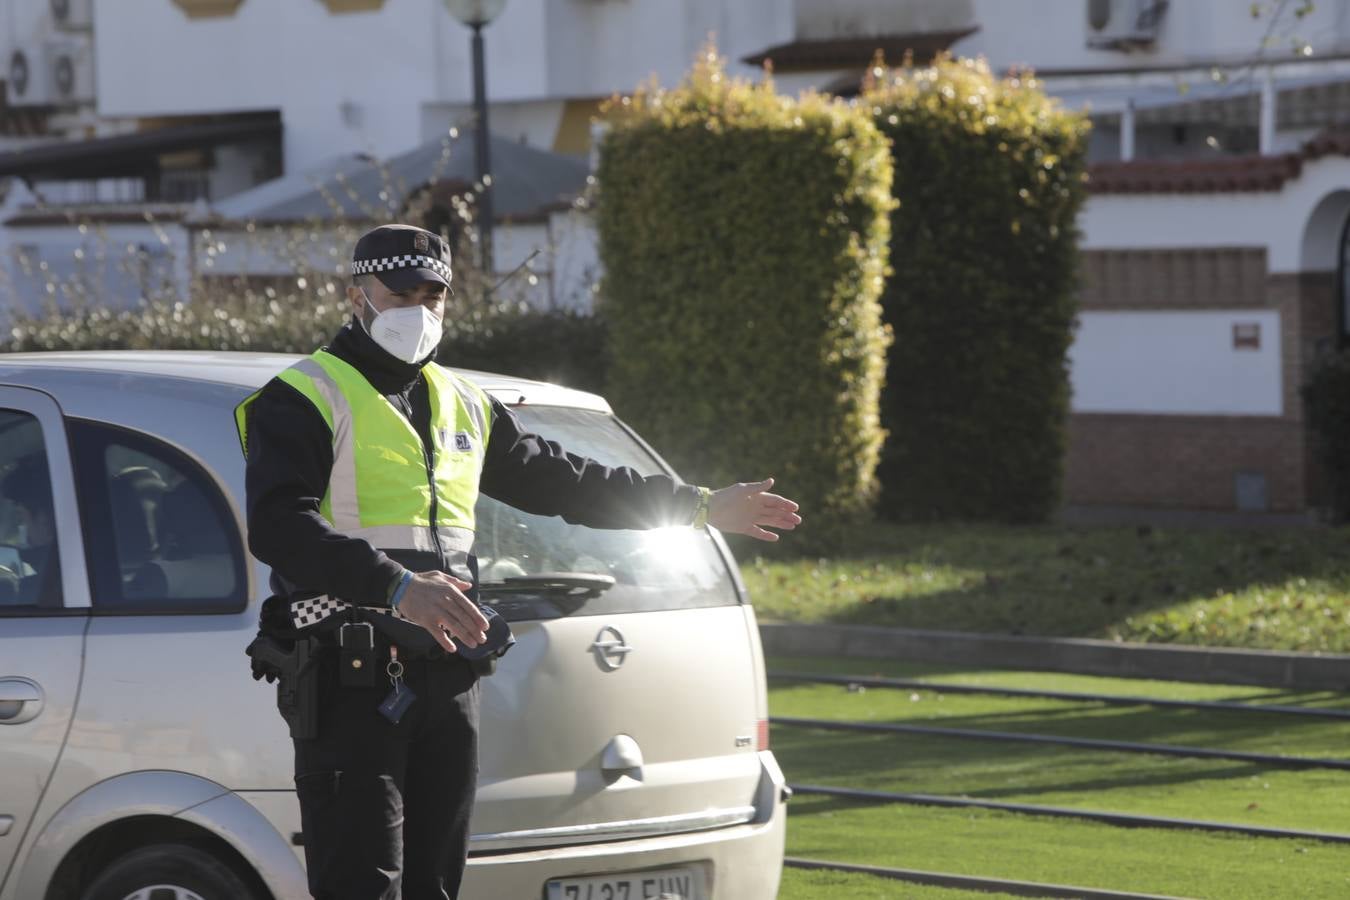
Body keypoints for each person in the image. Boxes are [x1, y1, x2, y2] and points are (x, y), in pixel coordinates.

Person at [236, 223, 801, 900]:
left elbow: (566, 481)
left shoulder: (463, 401)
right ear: (356, 295)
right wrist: (397, 587)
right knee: (362, 884)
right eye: (401, 291)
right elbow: (277, 525)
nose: (419, 308)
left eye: (433, 294)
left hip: (447, 674)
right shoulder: (302, 395)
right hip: (348, 674)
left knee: (437, 886)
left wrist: (700, 506)